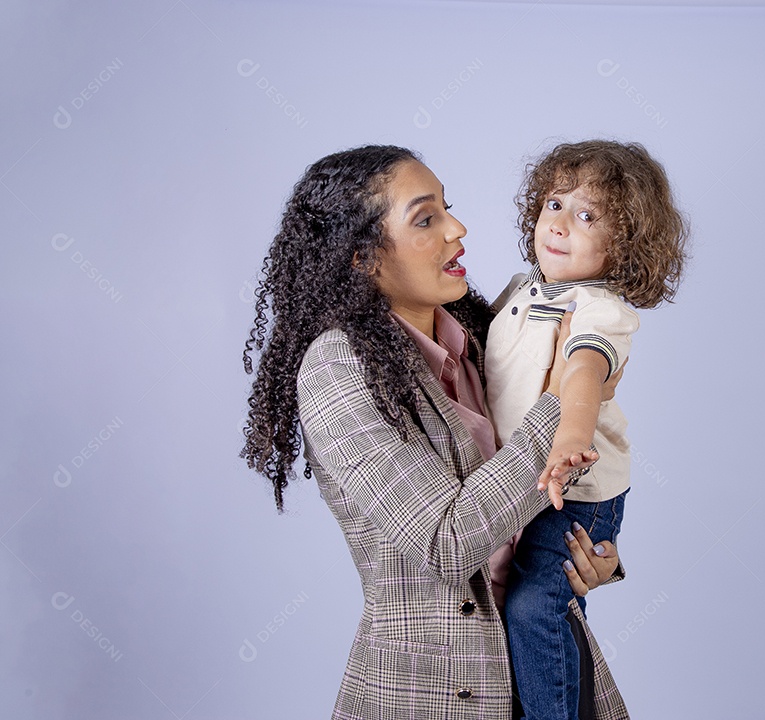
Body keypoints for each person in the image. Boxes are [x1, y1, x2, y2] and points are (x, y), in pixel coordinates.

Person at [240, 145, 629, 720]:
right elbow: (444, 543)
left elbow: (527, 509)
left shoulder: (487, 338)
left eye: (449, 207)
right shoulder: (337, 369)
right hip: (434, 692)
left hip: (546, 668)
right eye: (426, 218)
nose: (458, 228)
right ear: (361, 257)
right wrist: (560, 405)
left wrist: (581, 556)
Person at [487, 140, 687, 720]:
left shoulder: (598, 307)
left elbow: (585, 371)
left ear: (622, 245)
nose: (559, 225)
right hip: (535, 481)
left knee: (531, 608)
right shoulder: (521, 291)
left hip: (578, 491)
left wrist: (572, 435)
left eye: (587, 216)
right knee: (541, 607)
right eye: (554, 204)